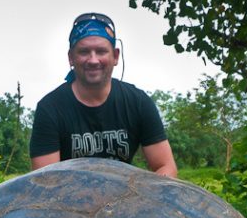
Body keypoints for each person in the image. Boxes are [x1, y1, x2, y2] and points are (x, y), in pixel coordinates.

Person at [29, 12, 178, 178]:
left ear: (115, 56)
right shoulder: (50, 108)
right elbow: (45, 181)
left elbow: (166, 166)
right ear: (71, 58)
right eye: (84, 52)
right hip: (68, 200)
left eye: (101, 51)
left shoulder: (138, 102)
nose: (93, 60)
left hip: (126, 196)